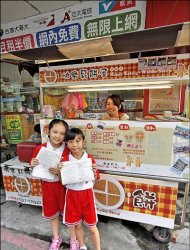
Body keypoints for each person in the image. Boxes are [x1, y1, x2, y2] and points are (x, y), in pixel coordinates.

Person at [30, 119, 73, 250]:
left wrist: (60, 173)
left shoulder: (67, 151)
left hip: (65, 188)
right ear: (48, 131)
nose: (57, 136)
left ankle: (74, 240)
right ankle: (56, 237)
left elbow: (72, 173)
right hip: (48, 187)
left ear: (65, 136)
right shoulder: (40, 148)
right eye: (55, 132)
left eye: (62, 133)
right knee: (52, 214)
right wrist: (32, 164)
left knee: (70, 214)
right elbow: (33, 167)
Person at [61, 127, 101, 250]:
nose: (74, 145)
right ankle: (82, 246)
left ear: (83, 141)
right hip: (72, 195)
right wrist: (60, 172)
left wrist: (95, 172)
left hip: (87, 195)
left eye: (78, 141)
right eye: (71, 141)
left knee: (92, 228)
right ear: (66, 143)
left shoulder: (89, 158)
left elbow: (97, 177)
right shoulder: (65, 160)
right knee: (77, 225)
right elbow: (62, 181)